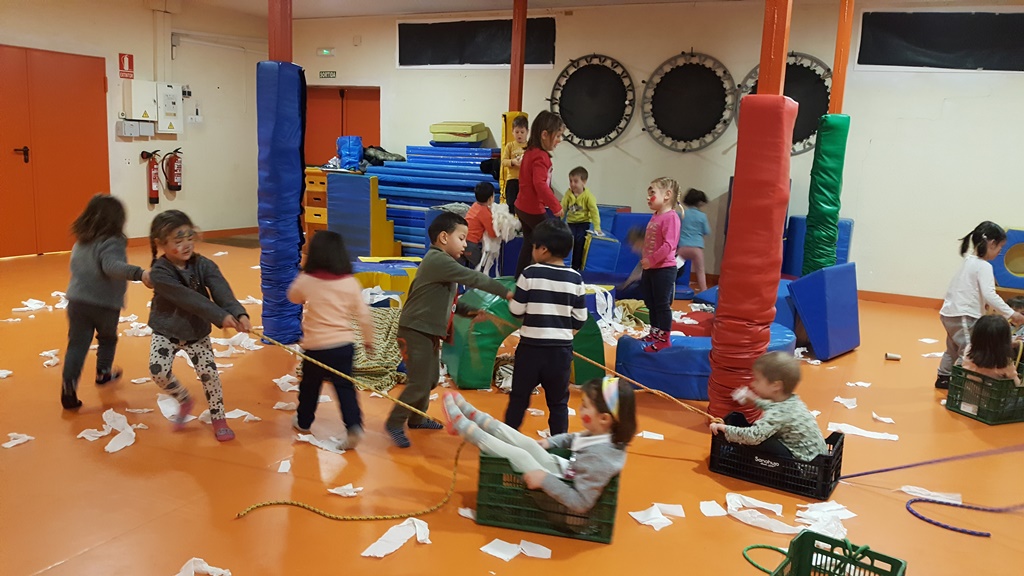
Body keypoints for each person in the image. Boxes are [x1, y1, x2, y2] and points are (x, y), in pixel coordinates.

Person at [385, 211, 513, 448]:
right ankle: (394, 422)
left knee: (431, 378)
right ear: (444, 237)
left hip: (428, 331)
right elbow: (474, 278)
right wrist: (505, 292)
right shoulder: (438, 260)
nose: (465, 244)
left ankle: (416, 417)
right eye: (462, 238)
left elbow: (451, 302)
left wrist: (471, 311)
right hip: (415, 330)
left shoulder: (444, 266)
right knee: (419, 381)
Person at [442, 376, 636, 514]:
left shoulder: (601, 458)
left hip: (565, 510)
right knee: (528, 444)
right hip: (565, 475)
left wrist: (544, 480)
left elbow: (580, 504)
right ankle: (478, 418)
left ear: (604, 418)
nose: (580, 409)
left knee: (521, 456)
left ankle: (465, 429)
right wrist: (550, 442)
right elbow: (573, 438)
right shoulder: (603, 435)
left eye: (585, 406)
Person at [147, 210, 251, 442]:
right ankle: (184, 400)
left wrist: (238, 313)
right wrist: (219, 316)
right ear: (161, 244)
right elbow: (188, 299)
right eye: (178, 241)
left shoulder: (204, 265)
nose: (186, 245)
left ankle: (219, 418)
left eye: (189, 237)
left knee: (210, 376)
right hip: (166, 331)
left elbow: (221, 290)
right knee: (158, 371)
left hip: (196, 332)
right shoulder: (160, 273)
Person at [60, 195, 152, 409]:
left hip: (77, 301)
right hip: (104, 304)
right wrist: (140, 273)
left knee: (77, 345)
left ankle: (68, 386)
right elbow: (111, 267)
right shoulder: (112, 241)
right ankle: (103, 373)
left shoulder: (81, 241)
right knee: (107, 339)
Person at [287, 230, 374, 449]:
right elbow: (364, 315)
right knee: (345, 388)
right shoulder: (350, 283)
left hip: (316, 347)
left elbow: (292, 297)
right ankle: (354, 426)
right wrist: (369, 341)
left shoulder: (307, 280)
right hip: (344, 346)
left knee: (310, 387)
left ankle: (304, 422)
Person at [504, 219, 587, 436]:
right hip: (560, 353)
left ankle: (507, 440)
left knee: (519, 398)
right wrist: (564, 334)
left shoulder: (530, 273)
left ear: (543, 249)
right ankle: (559, 445)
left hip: (531, 350)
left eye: (533, 246)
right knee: (558, 403)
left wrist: (513, 301)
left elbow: (516, 310)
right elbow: (580, 318)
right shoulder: (575, 279)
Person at [936, 221, 1024, 389]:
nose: (999, 252)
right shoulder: (984, 266)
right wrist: (1011, 314)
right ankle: (960, 383)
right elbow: (990, 294)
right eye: (1000, 247)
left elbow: (966, 289)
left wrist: (981, 305)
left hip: (951, 313)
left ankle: (944, 377)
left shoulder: (969, 260)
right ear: (991, 244)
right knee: (969, 350)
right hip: (964, 315)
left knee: (952, 348)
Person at [709, 351, 827, 462]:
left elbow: (753, 436)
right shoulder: (792, 401)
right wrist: (754, 401)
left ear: (776, 386)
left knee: (761, 439)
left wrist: (724, 429)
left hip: (802, 466)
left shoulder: (778, 414)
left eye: (757, 380)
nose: (753, 384)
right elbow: (774, 407)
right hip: (816, 457)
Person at [514, 110, 565, 278]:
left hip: (522, 206)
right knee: (550, 240)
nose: (559, 140)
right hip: (532, 209)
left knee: (530, 243)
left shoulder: (530, 152)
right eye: (558, 136)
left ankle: (520, 277)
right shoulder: (541, 157)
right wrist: (556, 206)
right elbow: (539, 184)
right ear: (544, 135)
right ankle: (542, 277)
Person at [640, 178, 682, 352]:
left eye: (652, 193)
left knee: (661, 304)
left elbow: (669, 245)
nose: (648, 197)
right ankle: (655, 332)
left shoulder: (671, 217)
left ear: (667, 195)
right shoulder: (656, 216)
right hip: (651, 268)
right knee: (650, 302)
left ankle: (664, 338)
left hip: (664, 269)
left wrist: (652, 259)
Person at [561, 166, 602, 271]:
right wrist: (560, 221)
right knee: (569, 240)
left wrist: (597, 227)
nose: (572, 184)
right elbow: (563, 207)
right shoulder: (568, 194)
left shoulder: (588, 196)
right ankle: (567, 264)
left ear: (584, 182)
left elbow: (594, 211)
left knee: (579, 241)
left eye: (575, 181)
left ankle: (576, 265)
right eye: (570, 181)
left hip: (583, 223)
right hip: (571, 222)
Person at [960, 314, 1021, 385]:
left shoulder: (969, 349)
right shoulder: (1004, 362)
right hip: (992, 391)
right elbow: (1016, 383)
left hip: (967, 389)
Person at [676, 188, 712, 292]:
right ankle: (703, 291)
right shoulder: (702, 216)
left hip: (682, 248)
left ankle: (667, 286)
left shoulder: (682, 214)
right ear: (700, 203)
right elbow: (707, 231)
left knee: (674, 268)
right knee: (700, 271)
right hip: (697, 248)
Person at [463, 182, 497, 270]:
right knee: (481, 266)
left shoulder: (475, 205)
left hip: (462, 240)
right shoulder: (484, 212)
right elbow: (493, 233)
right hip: (470, 244)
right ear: (490, 198)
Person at [501, 114, 529, 209]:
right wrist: (513, 162)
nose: (519, 134)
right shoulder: (510, 146)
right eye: (517, 132)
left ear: (527, 132)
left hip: (525, 181)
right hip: (512, 180)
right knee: (511, 205)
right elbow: (503, 161)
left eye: (522, 132)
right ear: (512, 131)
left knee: (525, 205)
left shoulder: (530, 146)